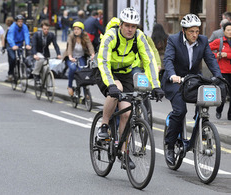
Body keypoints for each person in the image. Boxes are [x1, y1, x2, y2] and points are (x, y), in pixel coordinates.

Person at [96, 7, 164, 169]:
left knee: (126, 112)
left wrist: (156, 86)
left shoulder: (139, 37)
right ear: (121, 25)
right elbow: (103, 61)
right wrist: (111, 84)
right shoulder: (111, 36)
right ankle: (104, 125)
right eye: (127, 25)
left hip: (126, 73)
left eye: (133, 26)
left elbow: (149, 61)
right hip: (107, 72)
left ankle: (123, 154)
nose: (130, 29)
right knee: (116, 90)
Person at [162, 14, 222, 166]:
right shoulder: (173, 40)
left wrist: (219, 77)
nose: (195, 35)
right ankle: (169, 146)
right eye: (191, 32)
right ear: (183, 30)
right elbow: (168, 60)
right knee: (180, 111)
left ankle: (197, 135)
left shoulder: (202, 41)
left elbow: (211, 60)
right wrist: (172, 76)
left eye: (197, 31)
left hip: (193, 80)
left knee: (203, 107)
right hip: (175, 81)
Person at [63, 21, 95, 96]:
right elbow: (69, 46)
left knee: (83, 71)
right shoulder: (71, 36)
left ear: (82, 30)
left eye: (78, 29)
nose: (76, 31)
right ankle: (70, 86)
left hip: (80, 57)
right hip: (71, 57)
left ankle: (85, 93)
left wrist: (93, 54)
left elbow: (89, 45)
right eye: (74, 29)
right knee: (73, 68)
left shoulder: (85, 36)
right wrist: (70, 57)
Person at [209, 22, 231, 120]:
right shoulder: (219, 41)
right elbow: (207, 51)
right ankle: (219, 110)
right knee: (223, 94)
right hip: (223, 72)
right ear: (224, 31)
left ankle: (230, 115)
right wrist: (216, 55)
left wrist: (227, 55)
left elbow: (228, 55)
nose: (230, 32)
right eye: (228, 30)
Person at [6, 15, 31, 80]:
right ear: (16, 22)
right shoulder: (12, 27)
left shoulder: (24, 27)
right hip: (11, 45)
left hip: (19, 44)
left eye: (21, 21)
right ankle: (10, 73)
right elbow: (10, 37)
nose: (20, 23)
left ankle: (22, 73)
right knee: (13, 58)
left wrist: (27, 44)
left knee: (22, 58)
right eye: (19, 21)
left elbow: (26, 35)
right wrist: (13, 45)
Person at [4, 16, 14, 82]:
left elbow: (6, 39)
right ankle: (12, 74)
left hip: (10, 46)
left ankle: (10, 74)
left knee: (11, 59)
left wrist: (4, 46)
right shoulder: (12, 28)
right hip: (14, 45)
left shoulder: (9, 29)